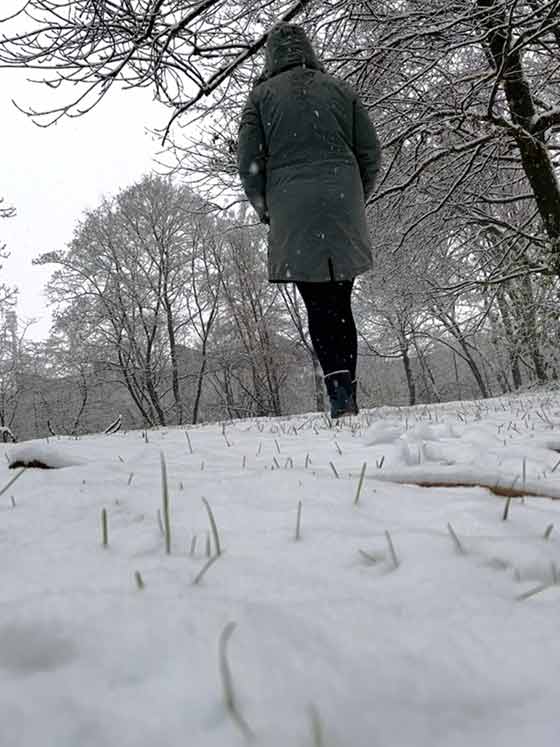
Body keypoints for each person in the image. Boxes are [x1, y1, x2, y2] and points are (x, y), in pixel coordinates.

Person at [238, 23, 381, 418]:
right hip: (342, 205)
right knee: (341, 302)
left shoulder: (260, 99)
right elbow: (370, 150)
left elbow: (248, 163)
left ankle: (338, 390)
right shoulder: (339, 89)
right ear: (308, 50)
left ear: (271, 56)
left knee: (318, 304)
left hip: (292, 212)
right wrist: (355, 195)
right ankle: (347, 389)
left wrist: (266, 207)